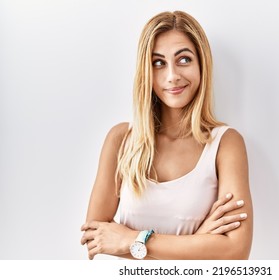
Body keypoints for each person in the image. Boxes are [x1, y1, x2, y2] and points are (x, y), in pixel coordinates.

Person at [80, 10, 253, 260]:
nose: (172, 76)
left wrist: (132, 240)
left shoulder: (225, 144)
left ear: (201, 65)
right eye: (158, 63)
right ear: (146, 72)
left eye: (184, 59)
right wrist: (199, 242)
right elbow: (95, 241)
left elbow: (236, 252)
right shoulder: (120, 140)